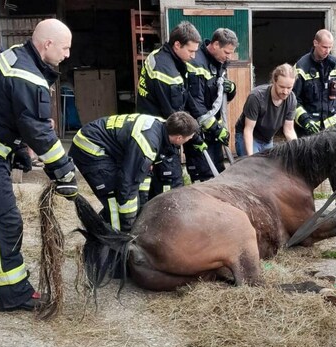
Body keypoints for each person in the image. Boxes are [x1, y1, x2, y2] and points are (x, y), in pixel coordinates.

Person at [0, 19, 77, 311]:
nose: (67, 55)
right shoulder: (27, 75)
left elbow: (7, 110)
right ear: (47, 44)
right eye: (65, 48)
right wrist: (63, 169)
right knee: (4, 222)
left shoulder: (16, 54)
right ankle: (14, 295)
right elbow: (37, 130)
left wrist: (20, 150)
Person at [69, 112, 197, 232]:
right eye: (189, 138)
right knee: (114, 201)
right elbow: (127, 184)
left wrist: (141, 206)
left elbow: (142, 174)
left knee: (129, 197)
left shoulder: (162, 127)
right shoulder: (147, 144)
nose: (189, 140)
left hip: (107, 146)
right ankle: (117, 244)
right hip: (89, 149)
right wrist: (129, 224)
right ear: (179, 138)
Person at [293, 29, 336, 217]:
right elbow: (294, 99)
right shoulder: (302, 66)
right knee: (307, 167)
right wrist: (304, 119)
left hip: (332, 126)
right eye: (324, 47)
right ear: (315, 43)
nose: (327, 51)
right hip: (309, 127)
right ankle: (305, 208)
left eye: (330, 47)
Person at [136, 21, 201, 199]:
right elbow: (176, 116)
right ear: (177, 44)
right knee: (170, 181)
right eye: (191, 51)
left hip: (151, 124)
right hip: (160, 132)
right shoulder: (167, 73)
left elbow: (186, 95)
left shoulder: (160, 55)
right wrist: (195, 136)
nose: (194, 56)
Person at [185, 28, 238, 182]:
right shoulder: (196, 63)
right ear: (215, 45)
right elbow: (196, 105)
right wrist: (216, 129)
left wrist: (232, 88)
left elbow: (220, 97)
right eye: (227, 52)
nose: (229, 56)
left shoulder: (220, 62)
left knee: (219, 172)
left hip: (213, 132)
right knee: (205, 176)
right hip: (198, 132)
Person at [234, 63, 297, 156]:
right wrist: (251, 158)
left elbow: (289, 130)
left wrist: (298, 151)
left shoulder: (291, 99)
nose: (285, 92)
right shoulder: (256, 97)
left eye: (289, 88)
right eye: (282, 87)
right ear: (274, 81)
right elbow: (248, 130)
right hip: (249, 136)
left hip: (267, 139)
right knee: (252, 167)